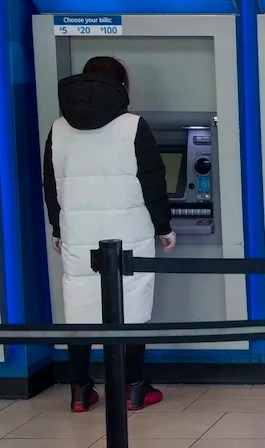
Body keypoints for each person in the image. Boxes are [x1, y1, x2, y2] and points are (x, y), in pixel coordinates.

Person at [42, 56, 176, 412]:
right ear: (122, 87)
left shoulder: (58, 129)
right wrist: (164, 226)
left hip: (79, 233)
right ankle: (134, 387)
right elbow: (153, 180)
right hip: (128, 233)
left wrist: (58, 228)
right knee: (131, 307)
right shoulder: (133, 126)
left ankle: (80, 390)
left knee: (80, 309)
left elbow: (51, 186)